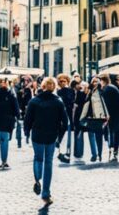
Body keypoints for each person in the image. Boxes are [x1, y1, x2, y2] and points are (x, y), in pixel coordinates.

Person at [24, 77, 67, 208]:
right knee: (48, 162)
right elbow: (65, 123)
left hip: (37, 135)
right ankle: (46, 193)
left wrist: (27, 132)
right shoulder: (58, 102)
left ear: (42, 87)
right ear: (54, 87)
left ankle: (37, 180)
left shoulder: (34, 101)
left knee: (38, 158)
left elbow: (27, 119)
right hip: (51, 136)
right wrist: (60, 136)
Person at [0, 78, 20, 169]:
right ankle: (4, 161)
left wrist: (17, 117)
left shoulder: (11, 95)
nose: (3, 84)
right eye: (2, 82)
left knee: (4, 140)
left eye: (5, 82)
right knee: (4, 140)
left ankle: (4, 161)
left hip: (7, 121)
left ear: (8, 83)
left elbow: (16, 107)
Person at [79, 77, 108, 162]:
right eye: (93, 82)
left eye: (96, 82)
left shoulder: (102, 92)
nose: (95, 83)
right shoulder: (89, 91)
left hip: (99, 117)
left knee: (99, 137)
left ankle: (100, 154)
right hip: (90, 117)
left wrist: (107, 115)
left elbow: (105, 104)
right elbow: (86, 103)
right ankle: (94, 155)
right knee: (91, 136)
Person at [100, 75, 119, 160]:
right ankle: (114, 150)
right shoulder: (112, 87)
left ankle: (113, 150)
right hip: (116, 113)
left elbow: (106, 104)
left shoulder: (107, 89)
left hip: (112, 114)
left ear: (103, 81)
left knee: (113, 132)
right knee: (115, 132)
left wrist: (107, 115)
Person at [56, 74, 75, 162]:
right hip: (60, 115)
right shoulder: (58, 92)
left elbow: (71, 101)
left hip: (69, 114)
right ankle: (61, 153)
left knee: (68, 134)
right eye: (61, 81)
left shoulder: (71, 91)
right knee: (61, 132)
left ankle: (67, 153)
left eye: (64, 81)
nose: (62, 83)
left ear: (67, 81)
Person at [72, 80, 88, 160]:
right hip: (82, 116)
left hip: (78, 116)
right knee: (79, 134)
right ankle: (79, 152)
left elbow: (75, 106)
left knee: (78, 134)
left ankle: (77, 153)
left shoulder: (79, 94)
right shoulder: (86, 95)